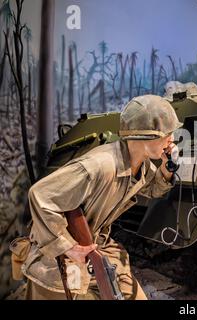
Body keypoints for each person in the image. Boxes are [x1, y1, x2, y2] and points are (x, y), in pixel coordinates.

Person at [21, 95, 183, 300]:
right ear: (144, 137)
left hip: (97, 244)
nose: (172, 139)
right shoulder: (100, 165)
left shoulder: (140, 165)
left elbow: (152, 190)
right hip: (58, 252)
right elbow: (40, 194)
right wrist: (68, 248)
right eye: (167, 133)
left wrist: (168, 168)